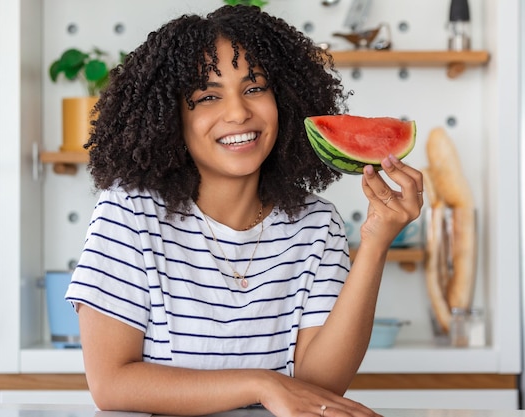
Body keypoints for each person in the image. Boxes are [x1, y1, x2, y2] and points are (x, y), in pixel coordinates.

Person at [66, 4, 423, 417]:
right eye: (208, 96)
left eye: (254, 88)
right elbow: (111, 384)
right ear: (171, 116)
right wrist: (262, 382)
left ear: (284, 100)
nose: (238, 113)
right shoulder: (129, 213)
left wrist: (377, 241)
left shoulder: (315, 225)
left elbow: (319, 388)